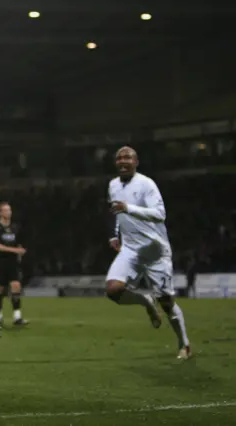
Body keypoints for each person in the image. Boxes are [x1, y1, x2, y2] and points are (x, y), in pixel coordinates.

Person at [107, 146, 191, 359]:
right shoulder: (113, 185)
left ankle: (184, 344)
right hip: (131, 249)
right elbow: (117, 212)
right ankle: (144, 299)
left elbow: (160, 214)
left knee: (166, 302)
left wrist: (130, 208)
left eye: (128, 158)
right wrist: (115, 234)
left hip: (155, 251)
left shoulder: (146, 184)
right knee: (113, 290)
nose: (123, 161)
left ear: (136, 162)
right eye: (119, 158)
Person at [0, 201, 28, 326]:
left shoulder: (15, 228)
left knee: (16, 286)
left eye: (9, 210)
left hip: (12, 263)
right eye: (5, 210)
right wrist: (16, 251)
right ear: (0, 213)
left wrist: (20, 250)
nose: (8, 212)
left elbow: (19, 243)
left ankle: (17, 317)